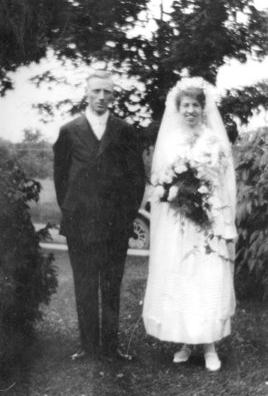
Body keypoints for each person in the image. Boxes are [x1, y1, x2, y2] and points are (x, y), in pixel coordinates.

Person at [142, 77, 237, 372]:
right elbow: (160, 180)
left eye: (196, 105)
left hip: (207, 222)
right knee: (181, 278)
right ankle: (185, 342)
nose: (191, 111)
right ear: (178, 108)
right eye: (186, 105)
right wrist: (172, 193)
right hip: (178, 223)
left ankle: (209, 345)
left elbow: (223, 181)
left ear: (203, 108)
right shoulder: (169, 141)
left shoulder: (214, 142)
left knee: (206, 278)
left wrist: (214, 211)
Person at [53, 70, 145, 361]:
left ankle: (111, 347)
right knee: (84, 285)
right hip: (79, 222)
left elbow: (136, 178)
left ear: (114, 95)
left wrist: (126, 214)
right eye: (97, 91)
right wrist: (71, 210)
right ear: (87, 92)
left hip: (115, 224)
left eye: (108, 92)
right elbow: (60, 178)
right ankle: (88, 347)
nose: (102, 97)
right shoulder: (70, 130)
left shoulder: (125, 131)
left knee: (111, 285)